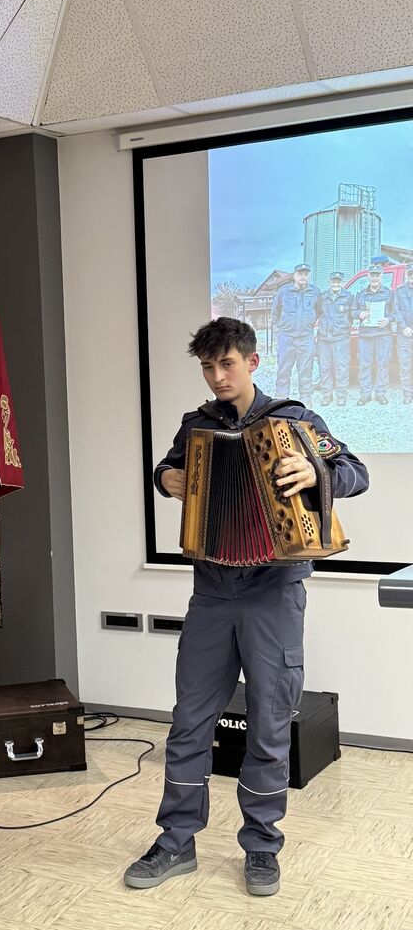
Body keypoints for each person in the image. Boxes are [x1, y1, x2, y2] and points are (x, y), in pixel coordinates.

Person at [124, 317, 368, 897]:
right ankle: (176, 841)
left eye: (226, 364)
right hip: (212, 590)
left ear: (252, 362)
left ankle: (261, 845)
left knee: (269, 720)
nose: (217, 377)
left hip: (273, 591)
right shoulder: (197, 425)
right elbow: (166, 469)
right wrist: (168, 479)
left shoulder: (295, 419)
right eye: (207, 367)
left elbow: (355, 472)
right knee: (189, 720)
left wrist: (315, 469)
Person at [270, 263, 320, 407]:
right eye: (300, 274)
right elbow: (275, 313)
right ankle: (281, 399)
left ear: (308, 275)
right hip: (287, 337)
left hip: (306, 338)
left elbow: (319, 311)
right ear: (294, 275)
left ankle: (305, 399)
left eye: (305, 274)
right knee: (284, 369)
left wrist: (308, 324)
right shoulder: (284, 291)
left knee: (306, 370)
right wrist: (282, 327)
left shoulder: (315, 292)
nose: (303, 277)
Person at [354, 264, 394, 405]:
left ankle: (380, 394)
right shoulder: (361, 294)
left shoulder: (389, 293)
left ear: (381, 276)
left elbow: (395, 311)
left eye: (377, 275)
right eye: (372, 275)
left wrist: (388, 319)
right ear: (368, 276)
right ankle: (365, 394)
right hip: (365, 335)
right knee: (364, 364)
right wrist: (359, 313)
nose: (375, 278)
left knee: (382, 364)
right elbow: (353, 311)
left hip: (383, 334)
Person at [314, 271, 353, 407]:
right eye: (333, 281)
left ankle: (341, 396)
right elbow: (316, 314)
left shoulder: (348, 297)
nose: (336, 284)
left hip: (341, 338)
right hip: (324, 339)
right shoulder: (322, 297)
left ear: (342, 283)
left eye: (338, 281)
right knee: (325, 367)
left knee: (341, 367)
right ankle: (327, 395)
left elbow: (352, 316)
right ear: (329, 282)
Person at [394, 264, 413, 405]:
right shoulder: (399, 291)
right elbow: (396, 310)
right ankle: (408, 394)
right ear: (407, 275)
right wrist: (404, 327)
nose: (412, 277)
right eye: (410, 274)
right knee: (405, 365)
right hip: (405, 334)